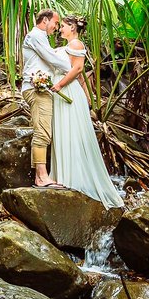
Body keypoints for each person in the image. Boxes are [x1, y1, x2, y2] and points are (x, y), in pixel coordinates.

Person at [48, 15, 123, 208]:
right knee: (63, 133)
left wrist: (59, 85)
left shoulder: (77, 44)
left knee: (72, 132)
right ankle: (61, 176)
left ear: (73, 27)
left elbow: (78, 68)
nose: (60, 29)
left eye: (63, 26)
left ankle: (73, 177)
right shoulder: (66, 46)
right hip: (60, 91)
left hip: (68, 91)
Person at [21, 9, 76, 187]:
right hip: (36, 89)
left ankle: (42, 175)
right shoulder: (36, 36)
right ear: (45, 20)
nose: (57, 27)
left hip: (41, 88)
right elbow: (52, 59)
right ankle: (41, 177)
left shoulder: (41, 38)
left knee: (44, 130)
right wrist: (73, 67)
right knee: (43, 131)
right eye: (55, 23)